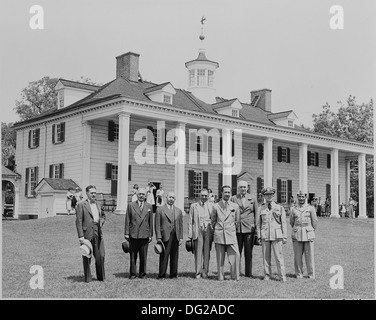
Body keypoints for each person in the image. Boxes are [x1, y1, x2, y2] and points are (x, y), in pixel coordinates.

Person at [75, 185, 106, 282]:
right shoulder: (81, 205)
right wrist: (81, 236)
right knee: (87, 256)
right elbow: (79, 221)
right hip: (86, 234)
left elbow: (103, 216)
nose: (94, 195)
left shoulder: (98, 204)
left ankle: (101, 277)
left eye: (95, 193)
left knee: (101, 255)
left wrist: (100, 221)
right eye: (92, 193)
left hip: (98, 233)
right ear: (87, 193)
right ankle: (88, 278)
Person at [257, 187, 287, 282]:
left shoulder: (279, 207)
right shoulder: (261, 208)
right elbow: (258, 224)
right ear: (264, 196)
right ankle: (267, 275)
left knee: (279, 257)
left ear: (273, 195)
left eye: (271, 194)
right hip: (265, 235)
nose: (269, 196)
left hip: (277, 235)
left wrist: (284, 236)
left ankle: (282, 276)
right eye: (267, 194)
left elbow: (284, 223)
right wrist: (259, 236)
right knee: (266, 257)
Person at [211, 185, 240, 281]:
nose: (227, 194)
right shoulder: (216, 206)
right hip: (220, 234)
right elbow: (213, 221)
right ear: (221, 193)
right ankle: (220, 276)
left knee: (235, 255)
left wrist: (231, 229)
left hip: (231, 234)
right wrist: (218, 229)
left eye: (229, 192)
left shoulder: (235, 206)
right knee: (220, 257)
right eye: (225, 192)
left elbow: (237, 221)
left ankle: (235, 276)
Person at [231, 180, 259, 278]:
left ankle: (248, 273)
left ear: (247, 188)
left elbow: (257, 214)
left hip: (249, 229)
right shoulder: (234, 198)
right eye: (241, 187)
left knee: (248, 252)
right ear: (238, 188)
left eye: (244, 187)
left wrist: (256, 227)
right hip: (238, 229)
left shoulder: (253, 198)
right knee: (237, 251)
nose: (243, 189)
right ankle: (237, 272)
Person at [124, 187, 153, 279]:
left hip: (145, 234)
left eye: (143, 194)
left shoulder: (149, 206)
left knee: (143, 256)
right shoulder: (131, 205)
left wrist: (150, 235)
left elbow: (150, 221)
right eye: (139, 194)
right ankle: (132, 273)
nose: (141, 196)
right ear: (137, 195)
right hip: (134, 234)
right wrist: (126, 233)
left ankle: (142, 273)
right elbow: (127, 219)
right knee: (133, 255)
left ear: (145, 196)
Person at [155, 191, 183, 279]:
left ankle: (173, 274)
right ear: (166, 198)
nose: (171, 199)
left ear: (175, 199)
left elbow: (180, 225)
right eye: (170, 197)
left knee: (174, 256)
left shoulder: (178, 211)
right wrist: (158, 237)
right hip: (165, 236)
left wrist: (181, 237)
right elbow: (157, 225)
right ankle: (162, 274)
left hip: (175, 235)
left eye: (173, 198)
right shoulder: (160, 209)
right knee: (164, 255)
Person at [290, 191, 318, 279]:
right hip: (297, 233)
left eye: (303, 197)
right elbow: (291, 222)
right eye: (300, 196)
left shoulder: (311, 208)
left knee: (309, 255)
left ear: (305, 197)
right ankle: (299, 274)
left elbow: (315, 222)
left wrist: (310, 230)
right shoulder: (293, 209)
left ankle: (311, 274)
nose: (301, 198)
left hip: (308, 233)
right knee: (297, 256)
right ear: (297, 197)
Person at [188, 189, 213, 279]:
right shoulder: (194, 206)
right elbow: (190, 221)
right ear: (199, 196)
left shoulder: (211, 206)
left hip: (208, 231)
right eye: (202, 195)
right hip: (198, 230)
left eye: (206, 195)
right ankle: (198, 272)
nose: (204, 197)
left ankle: (205, 271)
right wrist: (190, 234)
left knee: (207, 252)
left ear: (208, 196)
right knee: (198, 252)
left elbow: (213, 220)